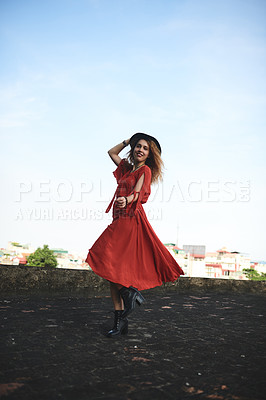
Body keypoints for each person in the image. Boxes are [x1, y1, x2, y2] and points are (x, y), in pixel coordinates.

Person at [86, 133, 184, 337]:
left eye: (145, 148)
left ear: (149, 155)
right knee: (112, 270)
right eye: (138, 146)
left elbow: (139, 193)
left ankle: (130, 294)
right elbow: (111, 152)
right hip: (120, 218)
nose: (140, 150)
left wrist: (127, 199)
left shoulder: (145, 170)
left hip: (130, 218)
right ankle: (121, 318)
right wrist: (126, 141)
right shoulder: (127, 169)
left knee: (102, 255)